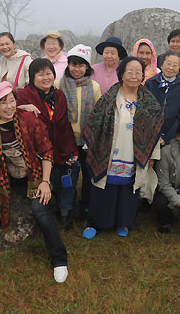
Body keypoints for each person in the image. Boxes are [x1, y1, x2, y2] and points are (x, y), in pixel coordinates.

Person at [0, 82, 69, 283]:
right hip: (8, 175)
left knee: (41, 212)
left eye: (12, 100)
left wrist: (44, 182)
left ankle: (59, 259)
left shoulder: (28, 120)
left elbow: (46, 151)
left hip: (33, 174)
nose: (9, 106)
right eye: (3, 103)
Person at [82, 57, 163, 239]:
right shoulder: (110, 98)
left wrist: (152, 154)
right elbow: (95, 122)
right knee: (103, 188)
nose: (134, 76)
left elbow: (154, 129)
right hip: (109, 151)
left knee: (128, 189)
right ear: (122, 75)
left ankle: (122, 221)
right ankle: (96, 222)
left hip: (134, 154)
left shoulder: (148, 102)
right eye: (130, 72)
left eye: (138, 72)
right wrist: (91, 146)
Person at [16, 59, 79, 229]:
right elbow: (5, 110)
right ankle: (47, 210)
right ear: (32, 77)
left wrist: (71, 150)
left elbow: (63, 125)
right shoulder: (23, 95)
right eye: (40, 74)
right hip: (37, 152)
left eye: (49, 73)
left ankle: (66, 211)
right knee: (50, 174)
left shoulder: (58, 95)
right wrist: (22, 107)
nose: (46, 77)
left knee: (71, 168)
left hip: (59, 146)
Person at [55, 44, 101, 218]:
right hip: (66, 140)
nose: (77, 69)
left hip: (88, 140)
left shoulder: (94, 86)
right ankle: (66, 208)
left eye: (81, 65)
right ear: (68, 65)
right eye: (73, 64)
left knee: (88, 175)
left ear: (87, 67)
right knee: (68, 176)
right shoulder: (59, 84)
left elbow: (98, 114)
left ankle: (86, 206)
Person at [145, 52, 180, 146]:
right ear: (161, 65)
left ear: (179, 68)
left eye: (175, 65)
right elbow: (145, 110)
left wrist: (167, 137)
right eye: (168, 64)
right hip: (150, 133)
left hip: (173, 135)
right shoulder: (150, 83)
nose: (171, 68)